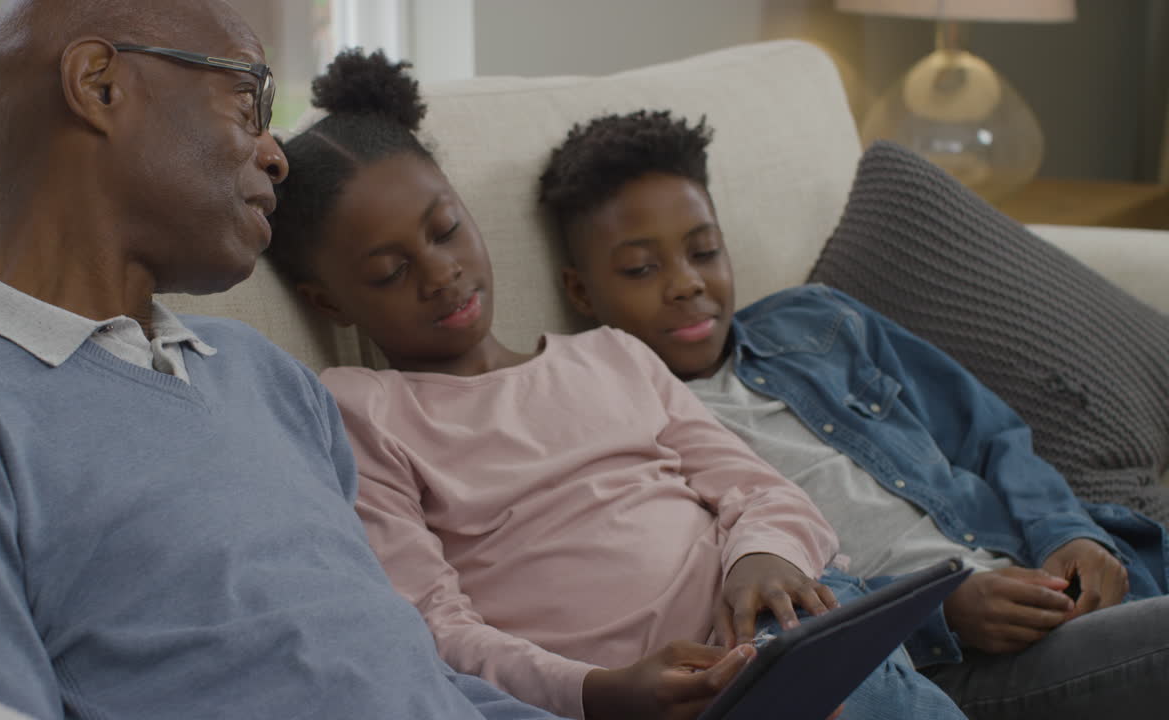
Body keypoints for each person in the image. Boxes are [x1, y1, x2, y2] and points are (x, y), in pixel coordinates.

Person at [0, 2, 565, 719]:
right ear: (100, 85)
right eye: (248, 101)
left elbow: (409, 671)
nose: (275, 153)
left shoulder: (267, 377)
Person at [266, 49, 967, 720]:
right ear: (327, 303)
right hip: (641, 697)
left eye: (446, 229)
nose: (439, 271)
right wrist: (595, 692)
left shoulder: (611, 356)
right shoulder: (364, 410)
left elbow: (758, 488)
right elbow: (431, 627)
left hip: (771, 616)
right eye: (390, 272)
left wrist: (760, 559)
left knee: (835, 637)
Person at [536, 108, 1169, 720]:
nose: (686, 283)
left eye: (703, 251)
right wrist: (944, 612)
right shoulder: (626, 432)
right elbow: (744, 604)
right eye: (642, 268)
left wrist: (1068, 533)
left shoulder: (818, 321)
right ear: (581, 291)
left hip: (1050, 583)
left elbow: (990, 436)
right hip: (933, 668)